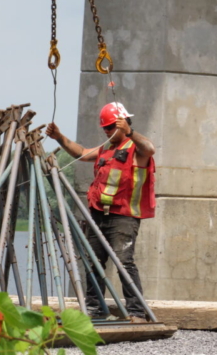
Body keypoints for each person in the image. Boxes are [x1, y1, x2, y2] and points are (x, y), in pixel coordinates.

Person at [46, 102, 156, 322]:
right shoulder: (107, 147)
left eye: (109, 128)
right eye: (104, 128)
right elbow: (83, 153)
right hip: (97, 214)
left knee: (124, 262)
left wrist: (130, 132)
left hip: (123, 216)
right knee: (93, 262)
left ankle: (136, 312)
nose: (106, 132)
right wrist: (59, 137)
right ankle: (94, 310)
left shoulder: (136, 148)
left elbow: (150, 148)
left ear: (122, 124)